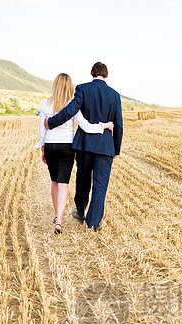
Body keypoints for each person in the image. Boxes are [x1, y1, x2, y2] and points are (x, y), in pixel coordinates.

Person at [45, 62, 123, 231]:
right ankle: (93, 223)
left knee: (83, 180)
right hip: (105, 146)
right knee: (100, 185)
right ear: (106, 75)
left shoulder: (82, 89)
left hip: (85, 145)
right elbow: (119, 124)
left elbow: (69, 111)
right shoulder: (115, 95)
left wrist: (51, 122)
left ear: (92, 73)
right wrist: (116, 148)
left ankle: (80, 212)